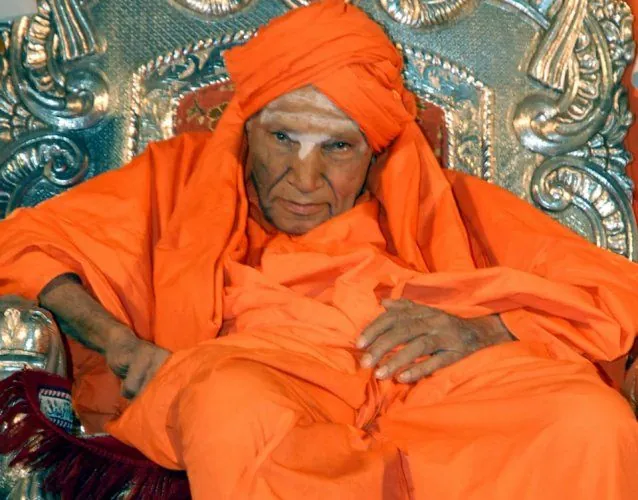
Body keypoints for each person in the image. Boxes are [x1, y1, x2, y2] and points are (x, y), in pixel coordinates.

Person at [2, 1, 638, 498]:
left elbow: (607, 293)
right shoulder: (183, 176)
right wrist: (116, 341)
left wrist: (488, 330)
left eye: (337, 147)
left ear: (374, 150)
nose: (304, 180)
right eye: (283, 138)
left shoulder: (439, 197)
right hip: (270, 391)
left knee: (586, 421)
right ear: (247, 126)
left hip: (432, 398)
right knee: (230, 408)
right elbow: (27, 243)